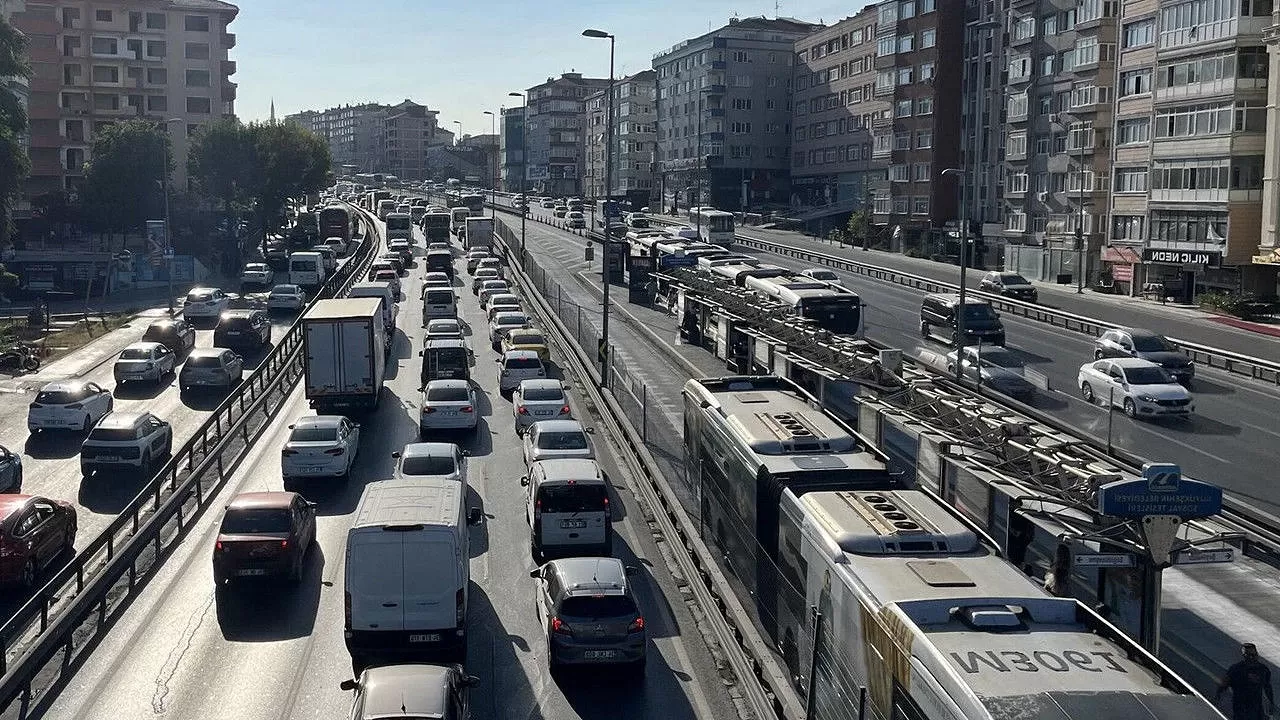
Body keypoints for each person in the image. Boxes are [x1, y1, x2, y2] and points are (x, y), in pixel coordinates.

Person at [1217, 643, 1274, 720]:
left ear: (1257, 654)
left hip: (1256, 709)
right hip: (1240, 709)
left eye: (1253, 655)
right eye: (1248, 655)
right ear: (1244, 656)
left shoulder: (1263, 670)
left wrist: (1271, 703)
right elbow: (1224, 685)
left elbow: (1267, 687)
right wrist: (1218, 697)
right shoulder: (1236, 669)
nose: (1251, 657)